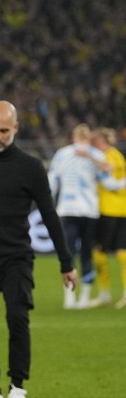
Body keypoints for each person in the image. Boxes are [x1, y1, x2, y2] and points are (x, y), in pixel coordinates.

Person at [0, 101, 78, 398]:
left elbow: (50, 216)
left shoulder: (31, 167)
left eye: (4, 130)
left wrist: (66, 263)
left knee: (18, 318)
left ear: (15, 128)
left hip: (16, 257)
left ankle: (17, 389)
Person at [48, 124, 115, 308]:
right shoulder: (94, 155)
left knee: (70, 253)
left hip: (71, 210)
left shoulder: (64, 154)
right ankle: (81, 297)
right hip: (86, 211)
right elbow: (110, 183)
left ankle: (73, 297)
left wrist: (46, 203)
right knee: (85, 253)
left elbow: (52, 180)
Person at [89, 127, 126, 308]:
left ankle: (104, 294)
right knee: (122, 252)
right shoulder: (118, 155)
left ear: (101, 142)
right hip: (122, 209)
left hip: (108, 210)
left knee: (99, 252)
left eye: (94, 142)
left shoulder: (106, 157)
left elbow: (110, 183)